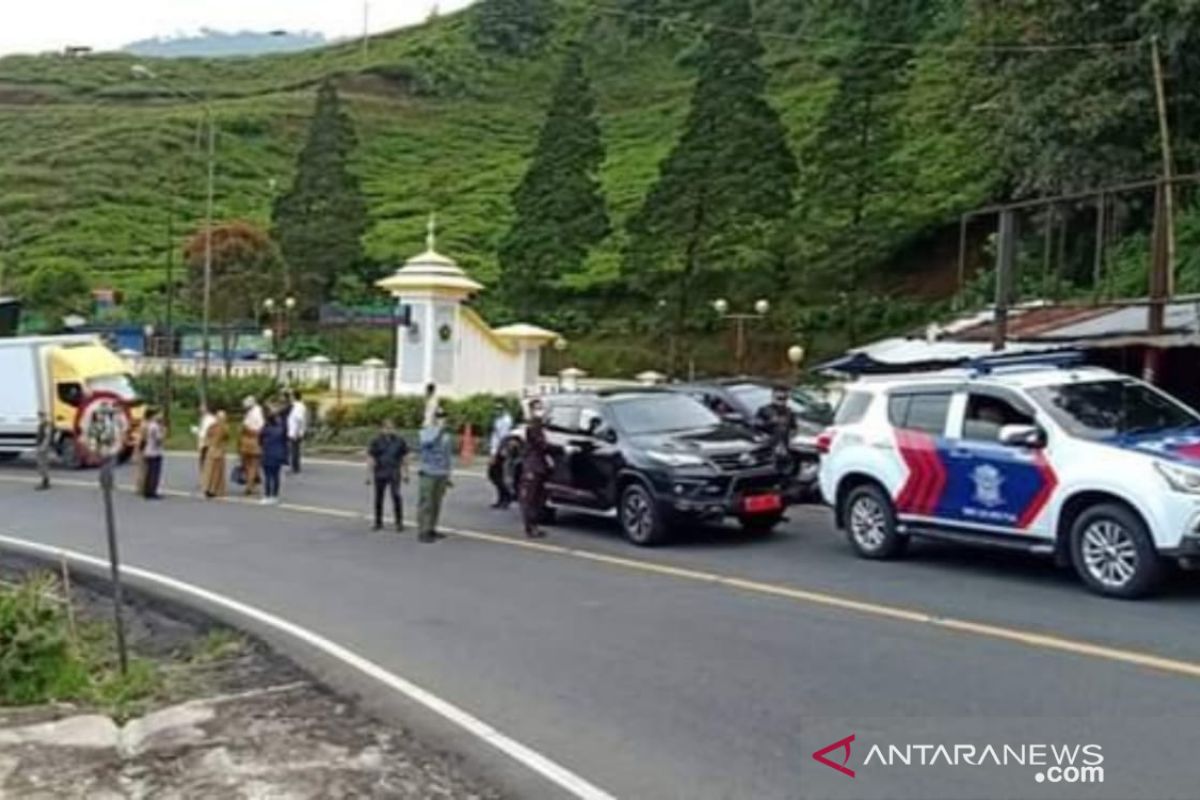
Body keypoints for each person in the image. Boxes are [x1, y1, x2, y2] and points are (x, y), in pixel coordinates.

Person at [417, 406, 453, 543]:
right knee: (426, 503)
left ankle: (432, 528)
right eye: (439, 416)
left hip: (441, 473)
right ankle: (423, 530)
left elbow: (447, 456)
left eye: (443, 416)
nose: (442, 419)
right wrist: (437, 429)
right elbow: (427, 443)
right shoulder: (426, 431)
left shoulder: (447, 435)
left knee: (437, 503)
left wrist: (448, 475)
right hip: (428, 472)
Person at [367, 418, 409, 531]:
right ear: (382, 429)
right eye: (387, 428)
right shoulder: (376, 441)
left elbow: (404, 457)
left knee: (396, 496)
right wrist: (369, 475)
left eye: (391, 428)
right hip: (380, 472)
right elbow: (371, 457)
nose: (389, 430)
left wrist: (405, 473)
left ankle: (399, 522)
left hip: (394, 471)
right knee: (379, 497)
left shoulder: (400, 441)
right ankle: (378, 522)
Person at [519, 399, 552, 539]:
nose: (540, 410)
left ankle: (534, 526)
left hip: (540, 466)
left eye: (541, 407)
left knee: (538, 498)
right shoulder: (533, 426)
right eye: (537, 408)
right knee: (530, 498)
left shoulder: (539, 425)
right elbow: (541, 445)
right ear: (531, 410)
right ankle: (530, 527)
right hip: (532, 466)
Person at [755, 385, 798, 474]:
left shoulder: (790, 412)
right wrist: (770, 422)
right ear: (773, 397)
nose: (782, 401)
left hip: (785, 449)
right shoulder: (764, 410)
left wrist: (791, 437)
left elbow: (794, 429)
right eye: (779, 398)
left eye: (784, 398)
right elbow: (756, 427)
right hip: (768, 450)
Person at [487, 402, 515, 509]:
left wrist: (495, 454)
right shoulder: (498, 419)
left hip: (500, 450)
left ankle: (506, 497)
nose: (496, 411)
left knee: (496, 474)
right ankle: (502, 498)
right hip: (497, 449)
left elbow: (502, 438)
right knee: (495, 475)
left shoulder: (505, 421)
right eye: (495, 408)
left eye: (499, 409)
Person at [259, 409, 290, 505]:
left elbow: (259, 440)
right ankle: (275, 496)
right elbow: (286, 442)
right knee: (276, 476)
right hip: (278, 455)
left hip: (267, 454)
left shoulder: (265, 429)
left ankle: (267, 495)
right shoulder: (281, 429)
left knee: (268, 476)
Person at [239, 395, 264, 496]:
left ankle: (250, 486)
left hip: (250, 440)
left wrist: (247, 430)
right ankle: (251, 485)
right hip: (251, 441)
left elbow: (255, 429)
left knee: (250, 465)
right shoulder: (255, 412)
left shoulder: (254, 413)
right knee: (252, 465)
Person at [201, 410, 229, 499]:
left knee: (209, 470)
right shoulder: (224, 427)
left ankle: (207, 488)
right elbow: (226, 437)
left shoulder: (212, 426)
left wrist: (208, 443)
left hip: (211, 449)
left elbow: (207, 436)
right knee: (217, 471)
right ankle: (214, 489)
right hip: (219, 450)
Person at [141, 407, 165, 500]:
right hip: (154, 452)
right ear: (154, 415)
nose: (161, 416)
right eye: (159, 414)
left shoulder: (150, 425)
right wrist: (163, 433)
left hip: (148, 450)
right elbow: (158, 439)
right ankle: (152, 492)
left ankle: (147, 491)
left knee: (149, 473)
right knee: (154, 473)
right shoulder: (155, 426)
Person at [286, 390, 308, 474]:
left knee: (294, 450)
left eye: (291, 396)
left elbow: (299, 420)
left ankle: (295, 468)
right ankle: (295, 467)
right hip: (294, 431)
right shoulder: (295, 406)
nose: (290, 397)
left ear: (295, 397)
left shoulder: (299, 407)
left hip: (295, 432)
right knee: (294, 450)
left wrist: (296, 432)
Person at [193, 403, 217, 476]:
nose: (200, 410)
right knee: (202, 461)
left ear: (206, 409)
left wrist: (198, 431)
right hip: (203, 442)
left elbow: (209, 431)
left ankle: (207, 479)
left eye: (202, 409)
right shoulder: (203, 419)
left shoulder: (211, 419)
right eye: (200, 409)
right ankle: (204, 478)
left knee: (206, 461)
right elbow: (202, 430)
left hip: (207, 443)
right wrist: (197, 430)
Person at [34, 411, 51, 491]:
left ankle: (45, 482)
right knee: (40, 465)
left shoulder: (46, 425)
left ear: (44, 417)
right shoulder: (40, 425)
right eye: (39, 417)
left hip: (43, 447)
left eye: (41, 416)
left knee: (43, 464)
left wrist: (43, 446)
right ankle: (44, 481)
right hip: (40, 446)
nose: (40, 418)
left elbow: (47, 437)